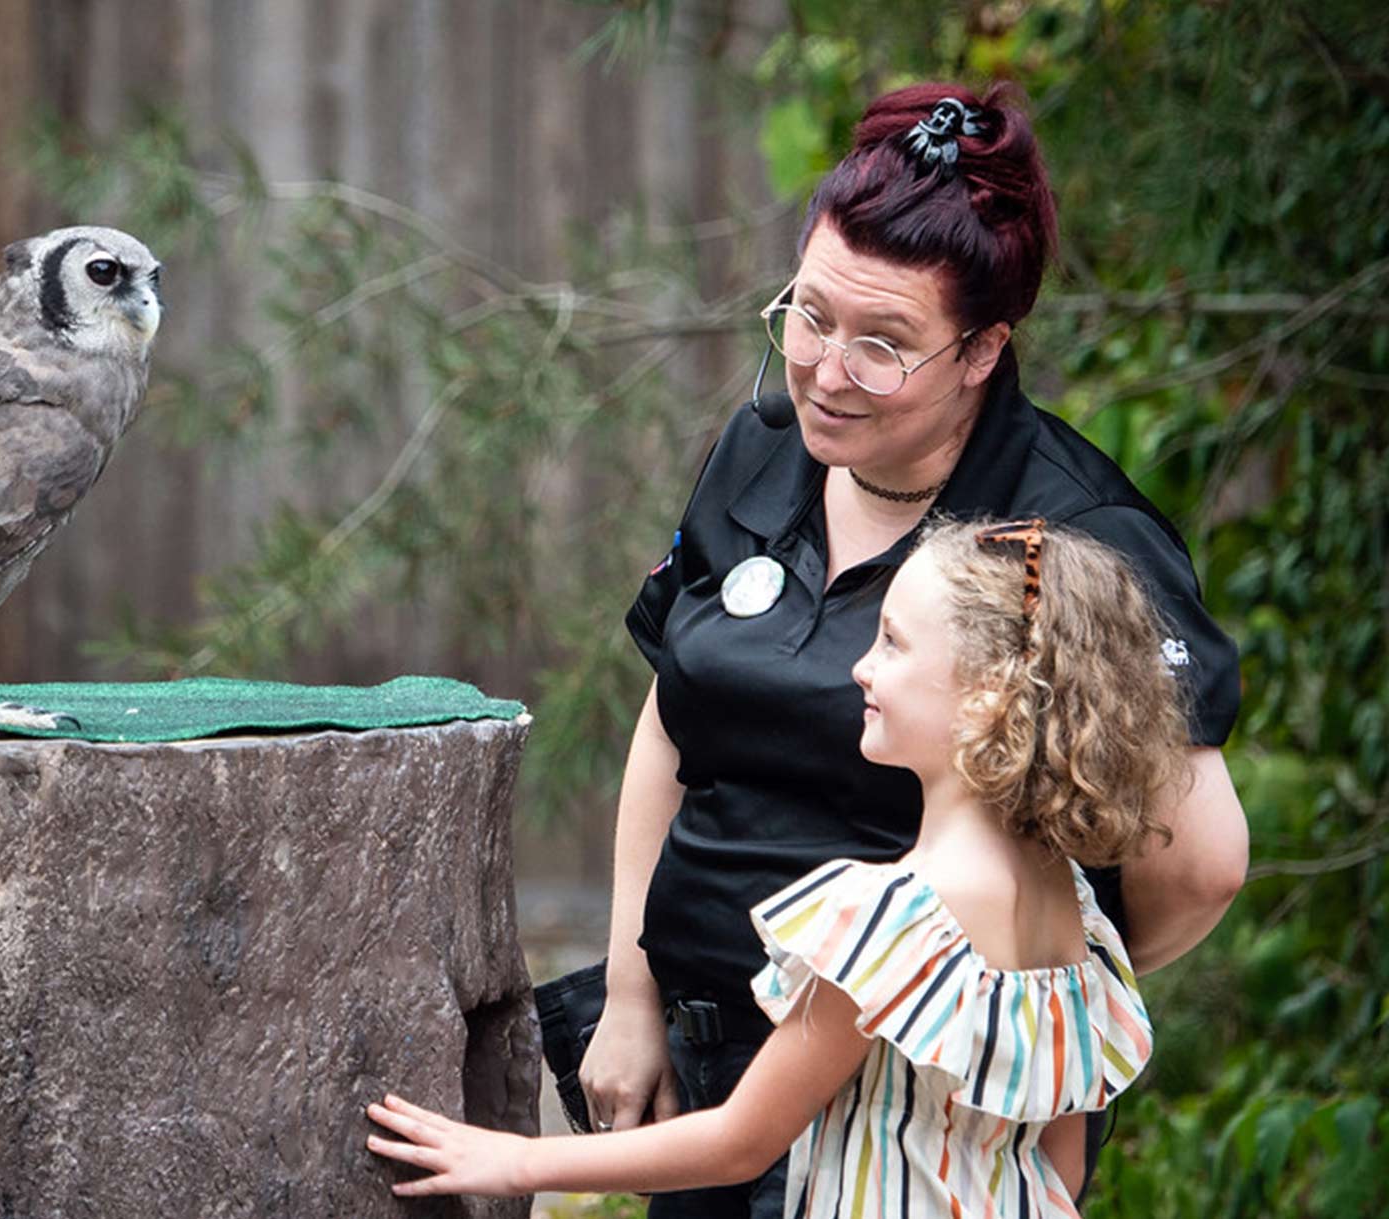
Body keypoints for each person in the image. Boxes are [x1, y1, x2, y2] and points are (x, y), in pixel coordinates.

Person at [563, 81, 1245, 1216]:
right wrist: (630, 995)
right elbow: (671, 720)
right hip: (698, 1082)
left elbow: (1196, 862)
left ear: (981, 350)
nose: (825, 368)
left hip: (900, 1125)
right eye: (810, 314)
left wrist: (989, 1016)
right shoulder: (760, 447)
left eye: (882, 344)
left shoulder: (1073, 538)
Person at [366, 518, 1181, 1215]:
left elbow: (741, 1139)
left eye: (892, 643)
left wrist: (512, 1158)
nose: (861, 666)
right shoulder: (1072, 905)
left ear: (987, 698)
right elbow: (1062, 1168)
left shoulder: (900, 918)